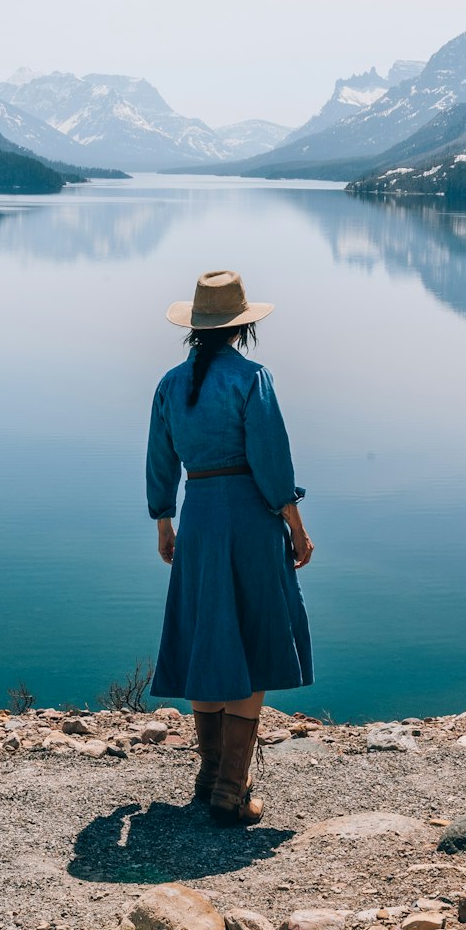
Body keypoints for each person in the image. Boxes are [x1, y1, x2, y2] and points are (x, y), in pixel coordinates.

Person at [146, 269, 314, 825]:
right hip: (248, 518)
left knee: (207, 635)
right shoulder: (252, 379)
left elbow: (160, 461)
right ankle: (231, 791)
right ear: (242, 328)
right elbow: (271, 461)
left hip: (198, 516)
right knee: (253, 637)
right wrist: (294, 520)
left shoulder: (171, 383)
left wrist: (165, 524)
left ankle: (209, 775)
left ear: (195, 327)